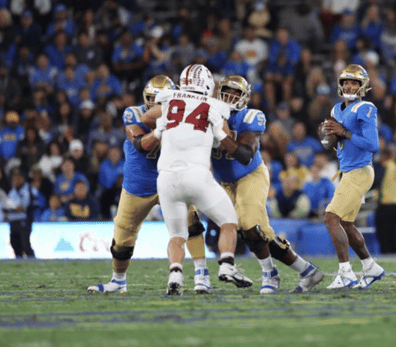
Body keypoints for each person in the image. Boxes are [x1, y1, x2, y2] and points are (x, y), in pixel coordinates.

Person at [88, 75, 230, 294]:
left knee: (191, 226)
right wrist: (159, 131)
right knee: (123, 237)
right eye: (152, 99)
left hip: (172, 177)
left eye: (160, 99)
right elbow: (141, 145)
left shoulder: (184, 114)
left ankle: (201, 274)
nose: (155, 104)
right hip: (139, 184)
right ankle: (118, 280)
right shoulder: (133, 113)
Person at [211, 75, 324, 294]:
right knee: (258, 232)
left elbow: (244, 154)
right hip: (225, 181)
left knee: (248, 223)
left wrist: (219, 133)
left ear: (245, 98)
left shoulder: (252, 116)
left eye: (236, 94)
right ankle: (307, 271)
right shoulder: (208, 115)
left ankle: (269, 273)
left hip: (250, 174)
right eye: (227, 92)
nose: (230, 97)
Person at [145, 64, 251, 295]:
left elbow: (147, 116)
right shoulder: (216, 106)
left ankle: (175, 275)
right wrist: (219, 133)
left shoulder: (167, 98)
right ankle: (226, 265)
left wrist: (161, 126)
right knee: (229, 222)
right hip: (197, 175)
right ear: (207, 84)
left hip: (166, 179)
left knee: (176, 236)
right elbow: (230, 143)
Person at [320, 64, 384, 289]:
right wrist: (329, 136)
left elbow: (372, 145)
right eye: (345, 82)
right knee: (345, 224)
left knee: (331, 218)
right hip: (347, 171)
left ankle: (346, 272)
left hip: (360, 171)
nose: (348, 86)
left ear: (362, 86)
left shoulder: (365, 108)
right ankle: (370, 267)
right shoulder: (336, 110)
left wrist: (343, 132)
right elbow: (334, 142)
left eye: (354, 82)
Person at [4, 168, 37, 258]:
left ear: (23, 178)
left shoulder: (29, 189)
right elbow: (7, 205)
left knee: (25, 244)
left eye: (18, 177)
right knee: (15, 244)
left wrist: (15, 208)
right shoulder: (12, 191)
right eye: (14, 177)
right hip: (13, 221)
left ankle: (34, 262)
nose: (16, 179)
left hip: (24, 221)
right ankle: (19, 264)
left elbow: (24, 206)